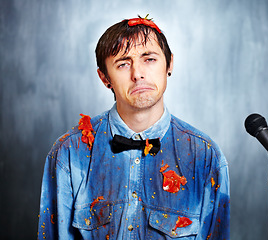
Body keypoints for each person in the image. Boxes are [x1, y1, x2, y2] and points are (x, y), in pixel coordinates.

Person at [38, 15, 230, 239]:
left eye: (149, 59)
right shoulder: (69, 153)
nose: (137, 73)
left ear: (169, 64)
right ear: (104, 78)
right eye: (123, 64)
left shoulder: (206, 157)